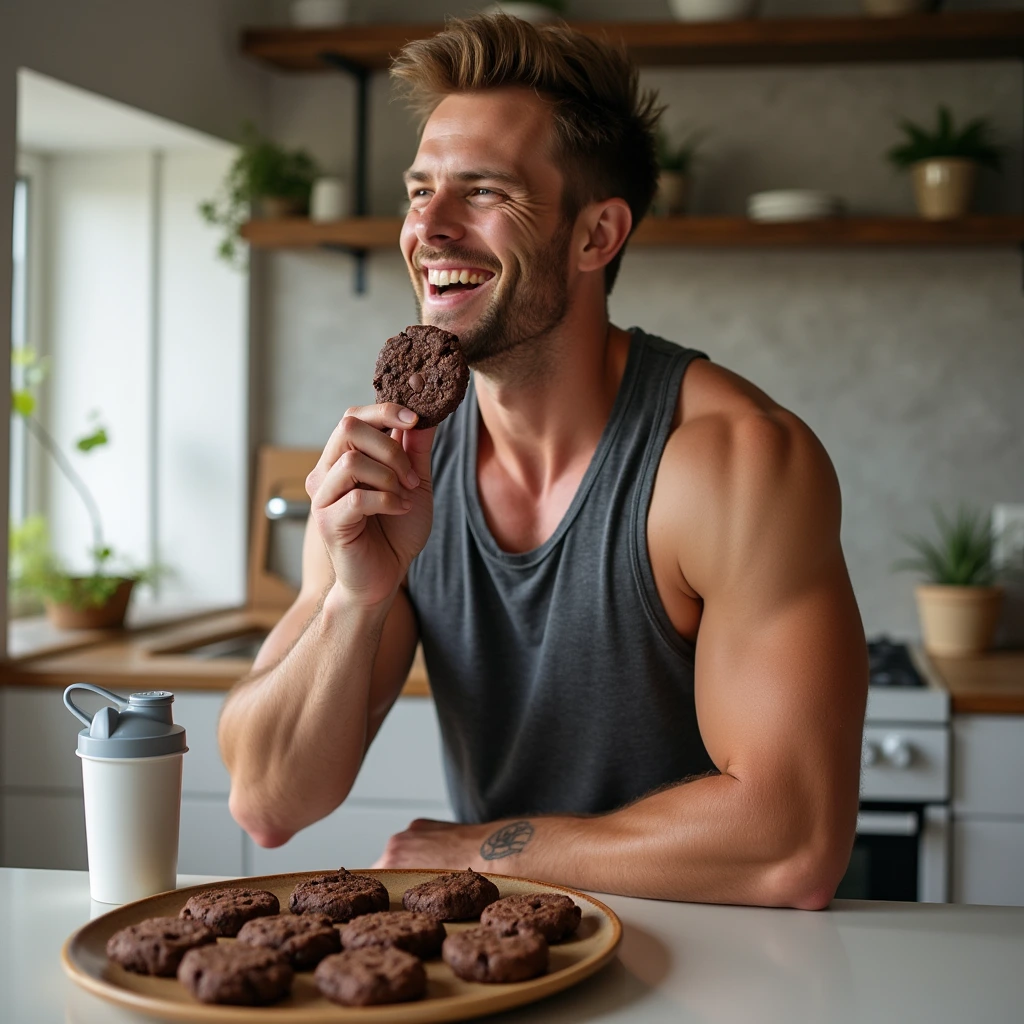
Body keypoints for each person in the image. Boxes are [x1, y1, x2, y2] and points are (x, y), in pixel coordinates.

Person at [219, 14, 868, 909]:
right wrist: (353, 598)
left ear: (597, 235)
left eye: (483, 192)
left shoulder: (735, 460)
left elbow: (790, 846)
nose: (430, 229)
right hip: (510, 963)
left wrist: (482, 851)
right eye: (419, 192)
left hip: (734, 964)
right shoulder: (394, 464)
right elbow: (266, 800)